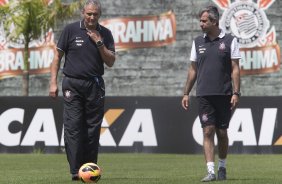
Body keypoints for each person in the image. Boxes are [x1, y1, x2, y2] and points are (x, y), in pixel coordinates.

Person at [49, 0, 116, 181]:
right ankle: (75, 170)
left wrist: (99, 43)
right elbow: (57, 57)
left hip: (94, 85)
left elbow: (110, 62)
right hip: (72, 84)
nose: (92, 17)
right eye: (89, 14)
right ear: (83, 13)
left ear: (99, 15)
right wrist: (53, 82)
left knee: (92, 129)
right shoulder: (70, 30)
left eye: (95, 14)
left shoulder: (105, 33)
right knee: (73, 127)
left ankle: (89, 168)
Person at [181, 5, 241, 182]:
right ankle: (210, 171)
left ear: (214, 22)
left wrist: (236, 92)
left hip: (224, 95)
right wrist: (186, 93)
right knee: (207, 131)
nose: (201, 24)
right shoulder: (197, 42)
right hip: (204, 95)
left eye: (204, 21)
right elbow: (193, 70)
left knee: (222, 133)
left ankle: (222, 166)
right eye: (200, 20)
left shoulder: (231, 40)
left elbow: (235, 69)